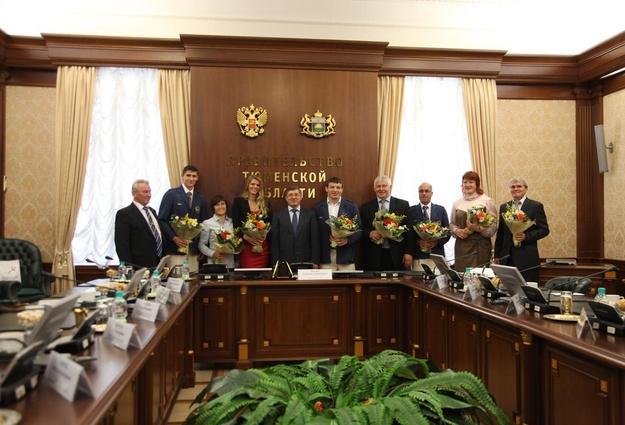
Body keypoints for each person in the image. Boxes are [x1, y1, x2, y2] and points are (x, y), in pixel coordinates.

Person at [494, 177, 550, 282]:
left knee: (527, 289)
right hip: (506, 258)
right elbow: (501, 232)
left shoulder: (535, 206)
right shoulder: (504, 207)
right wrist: (497, 255)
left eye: (519, 186)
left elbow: (544, 230)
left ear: (526, 188)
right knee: (506, 289)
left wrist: (526, 236)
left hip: (526, 258)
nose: (516, 189)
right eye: (513, 187)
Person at [158, 165, 209, 270]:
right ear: (182, 176)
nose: (191, 179)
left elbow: (203, 223)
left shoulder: (200, 197)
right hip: (175, 248)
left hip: (193, 250)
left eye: (194, 176)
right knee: (176, 278)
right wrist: (174, 237)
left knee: (193, 278)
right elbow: (162, 220)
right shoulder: (171, 194)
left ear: (197, 178)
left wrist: (202, 247)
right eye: (188, 175)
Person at [360, 175, 413, 271]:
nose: (381, 189)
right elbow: (360, 228)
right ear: (374, 189)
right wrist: (369, 233)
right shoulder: (366, 207)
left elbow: (409, 230)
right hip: (373, 258)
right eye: (378, 186)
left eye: (384, 186)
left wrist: (408, 252)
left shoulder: (403, 205)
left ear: (390, 187)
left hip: (397, 256)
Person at [449, 171, 498, 271]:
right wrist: (456, 231)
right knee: (462, 275)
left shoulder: (487, 201)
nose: (467, 185)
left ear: (477, 184)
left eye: (471, 182)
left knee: (478, 276)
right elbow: (452, 224)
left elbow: (493, 228)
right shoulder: (457, 203)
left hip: (480, 247)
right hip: (461, 247)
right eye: (465, 182)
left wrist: (478, 228)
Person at [314, 177, 362, 270]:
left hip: (346, 256)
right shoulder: (318, 208)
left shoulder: (351, 206)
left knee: (349, 280)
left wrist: (347, 240)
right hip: (326, 258)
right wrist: (315, 260)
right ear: (326, 189)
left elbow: (359, 229)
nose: (335, 190)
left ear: (342, 189)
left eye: (338, 187)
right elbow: (315, 235)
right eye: (332, 187)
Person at [114, 179, 163, 268]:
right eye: (145, 192)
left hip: (158, 263)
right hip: (138, 265)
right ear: (134, 193)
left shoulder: (152, 211)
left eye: (149, 192)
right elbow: (122, 245)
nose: (149, 195)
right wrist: (128, 268)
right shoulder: (125, 214)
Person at [270, 185, 320, 266]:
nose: (293, 197)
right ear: (286, 198)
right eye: (290, 195)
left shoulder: (310, 215)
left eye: (296, 194)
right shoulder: (277, 216)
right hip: (284, 262)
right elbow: (274, 242)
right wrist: (275, 263)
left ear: (301, 197)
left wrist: (315, 261)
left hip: (306, 261)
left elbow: (315, 240)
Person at [231, 174, 272, 267]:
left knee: (263, 274)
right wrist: (246, 238)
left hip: (262, 246)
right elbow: (236, 226)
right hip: (247, 247)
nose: (255, 187)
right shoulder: (239, 202)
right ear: (248, 185)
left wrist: (263, 237)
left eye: (258, 185)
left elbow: (269, 224)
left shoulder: (266, 203)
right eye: (252, 184)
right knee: (249, 273)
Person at [408, 182, 450, 272]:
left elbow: (448, 232)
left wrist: (436, 242)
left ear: (432, 193)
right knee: (419, 281)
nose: (424, 193)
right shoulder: (411, 211)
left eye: (426, 191)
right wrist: (418, 242)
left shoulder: (441, 210)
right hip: (419, 257)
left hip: (437, 256)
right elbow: (408, 234)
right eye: (421, 191)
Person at [198, 195, 238, 269]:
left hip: (230, 264)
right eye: (217, 205)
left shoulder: (233, 222)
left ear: (226, 206)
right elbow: (201, 244)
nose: (220, 207)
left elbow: (236, 241)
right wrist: (212, 254)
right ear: (213, 208)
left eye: (222, 204)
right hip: (213, 264)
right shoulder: (207, 223)